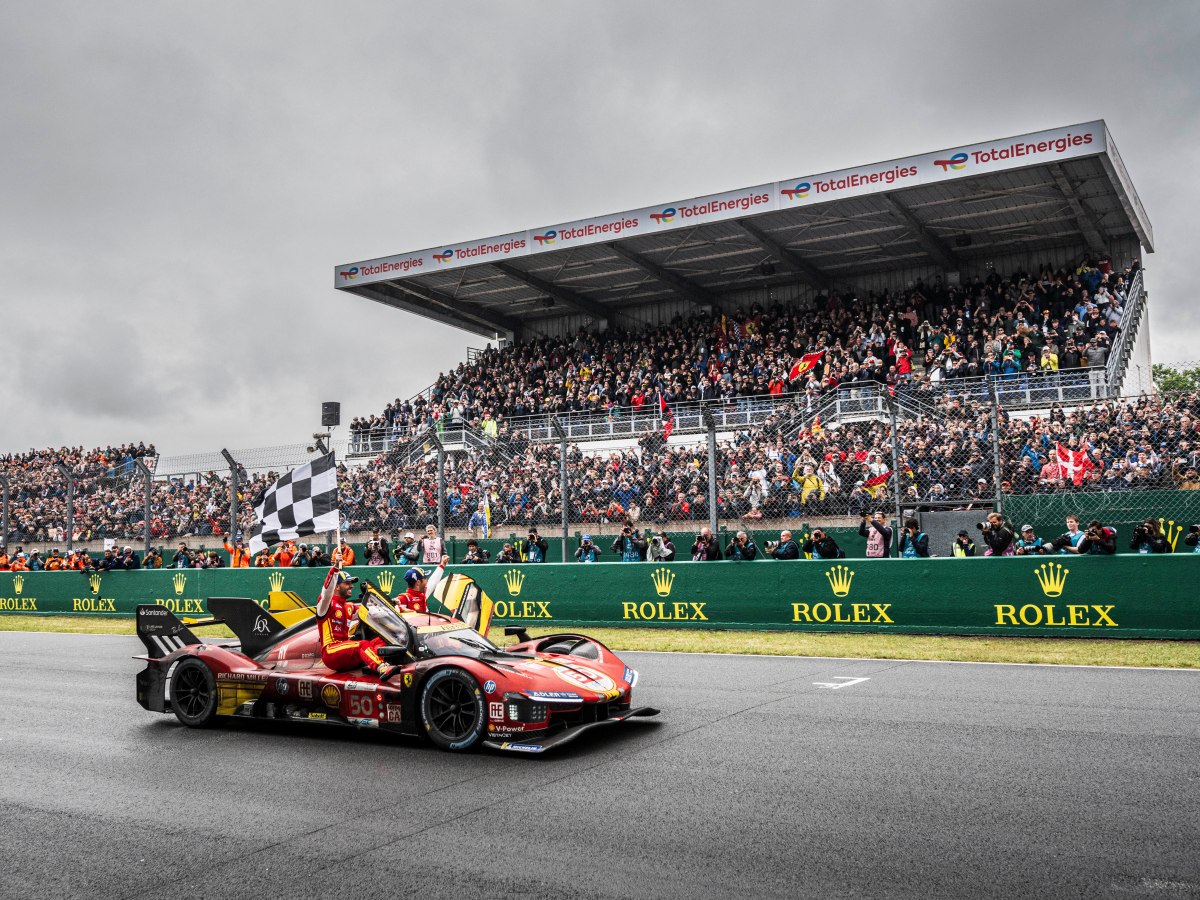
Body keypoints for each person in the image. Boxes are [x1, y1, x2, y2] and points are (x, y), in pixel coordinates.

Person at [315, 565, 397, 680]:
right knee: (362, 644)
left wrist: (392, 605)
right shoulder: (326, 605)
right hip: (330, 652)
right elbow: (326, 593)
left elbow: (371, 611)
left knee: (383, 638)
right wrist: (334, 570)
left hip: (345, 651)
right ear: (337, 586)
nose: (351, 586)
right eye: (347, 583)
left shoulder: (349, 607)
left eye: (351, 583)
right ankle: (381, 667)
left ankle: (373, 664)